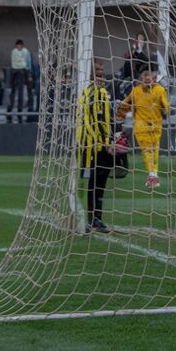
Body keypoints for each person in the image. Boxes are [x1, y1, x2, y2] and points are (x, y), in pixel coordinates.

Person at [116, 67, 169, 189]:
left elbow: (166, 110)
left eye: (149, 76)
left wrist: (163, 108)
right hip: (140, 125)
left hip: (156, 125)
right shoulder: (136, 91)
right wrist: (119, 117)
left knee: (154, 149)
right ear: (141, 78)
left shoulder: (160, 90)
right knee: (147, 149)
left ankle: (153, 174)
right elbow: (126, 104)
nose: (147, 79)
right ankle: (152, 175)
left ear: (154, 78)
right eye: (144, 77)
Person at [78, 64, 112, 232]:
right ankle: (91, 219)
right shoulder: (98, 95)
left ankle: (92, 218)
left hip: (91, 146)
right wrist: (104, 142)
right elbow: (100, 123)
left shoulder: (88, 94)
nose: (102, 79)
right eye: (99, 76)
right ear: (93, 78)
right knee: (95, 183)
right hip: (95, 148)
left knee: (94, 183)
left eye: (103, 75)